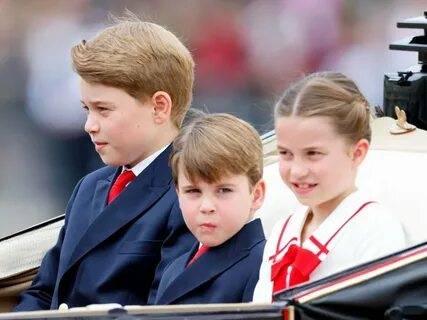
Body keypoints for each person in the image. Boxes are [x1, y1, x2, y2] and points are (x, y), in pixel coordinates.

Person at [14, 18, 196, 311]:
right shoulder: (90, 187)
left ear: (159, 106)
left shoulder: (190, 192)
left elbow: (164, 309)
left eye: (103, 110)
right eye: (87, 109)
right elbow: (44, 291)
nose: (89, 125)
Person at [253, 72, 407, 302]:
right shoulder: (282, 230)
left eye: (313, 154)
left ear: (357, 153)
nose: (297, 171)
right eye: (286, 153)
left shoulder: (377, 231)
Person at [154, 114, 266, 305]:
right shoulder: (174, 269)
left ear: (256, 195)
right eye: (193, 191)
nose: (206, 207)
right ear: (178, 193)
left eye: (224, 190)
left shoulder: (264, 267)